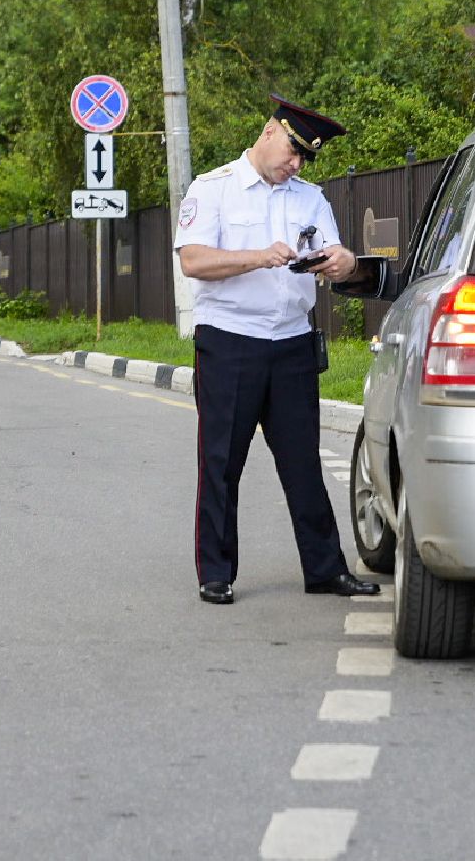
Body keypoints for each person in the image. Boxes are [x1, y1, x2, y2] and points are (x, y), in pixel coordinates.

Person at [174, 95, 380, 605]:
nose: (297, 163)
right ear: (269, 132)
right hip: (229, 342)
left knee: (302, 461)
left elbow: (337, 259)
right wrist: (258, 256)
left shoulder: (309, 198)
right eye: (293, 150)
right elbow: (194, 261)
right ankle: (216, 573)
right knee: (222, 461)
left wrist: (344, 262)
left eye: (306, 157)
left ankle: (325, 569)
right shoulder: (214, 188)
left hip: (290, 342)